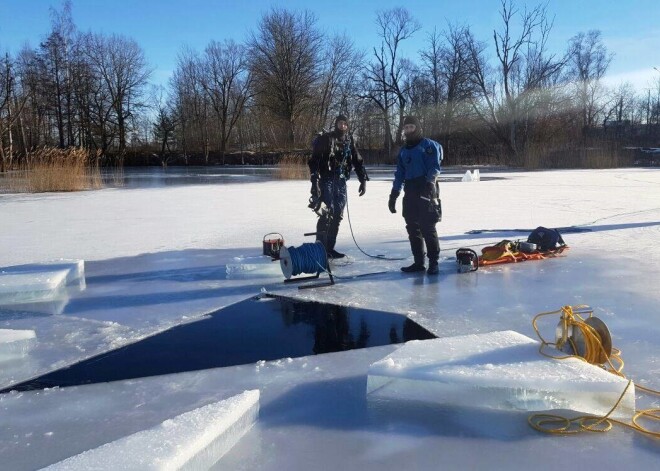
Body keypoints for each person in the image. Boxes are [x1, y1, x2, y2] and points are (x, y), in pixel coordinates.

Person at [308, 114, 369, 259]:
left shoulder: (349, 140)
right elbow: (314, 160)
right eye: (340, 123)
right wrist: (314, 181)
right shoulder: (327, 139)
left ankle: (329, 248)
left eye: (345, 124)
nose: (343, 126)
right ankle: (320, 249)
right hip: (327, 179)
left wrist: (363, 179)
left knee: (338, 215)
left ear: (347, 126)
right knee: (326, 212)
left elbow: (357, 160)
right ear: (336, 124)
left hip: (341, 181)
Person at [388, 116, 443, 275]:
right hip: (410, 189)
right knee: (412, 227)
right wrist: (394, 194)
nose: (408, 130)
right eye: (406, 128)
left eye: (411, 127)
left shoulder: (428, 145)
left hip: (426, 187)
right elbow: (399, 173)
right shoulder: (404, 151)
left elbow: (435, 167)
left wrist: (430, 184)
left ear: (417, 128)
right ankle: (419, 262)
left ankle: (434, 262)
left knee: (427, 226)